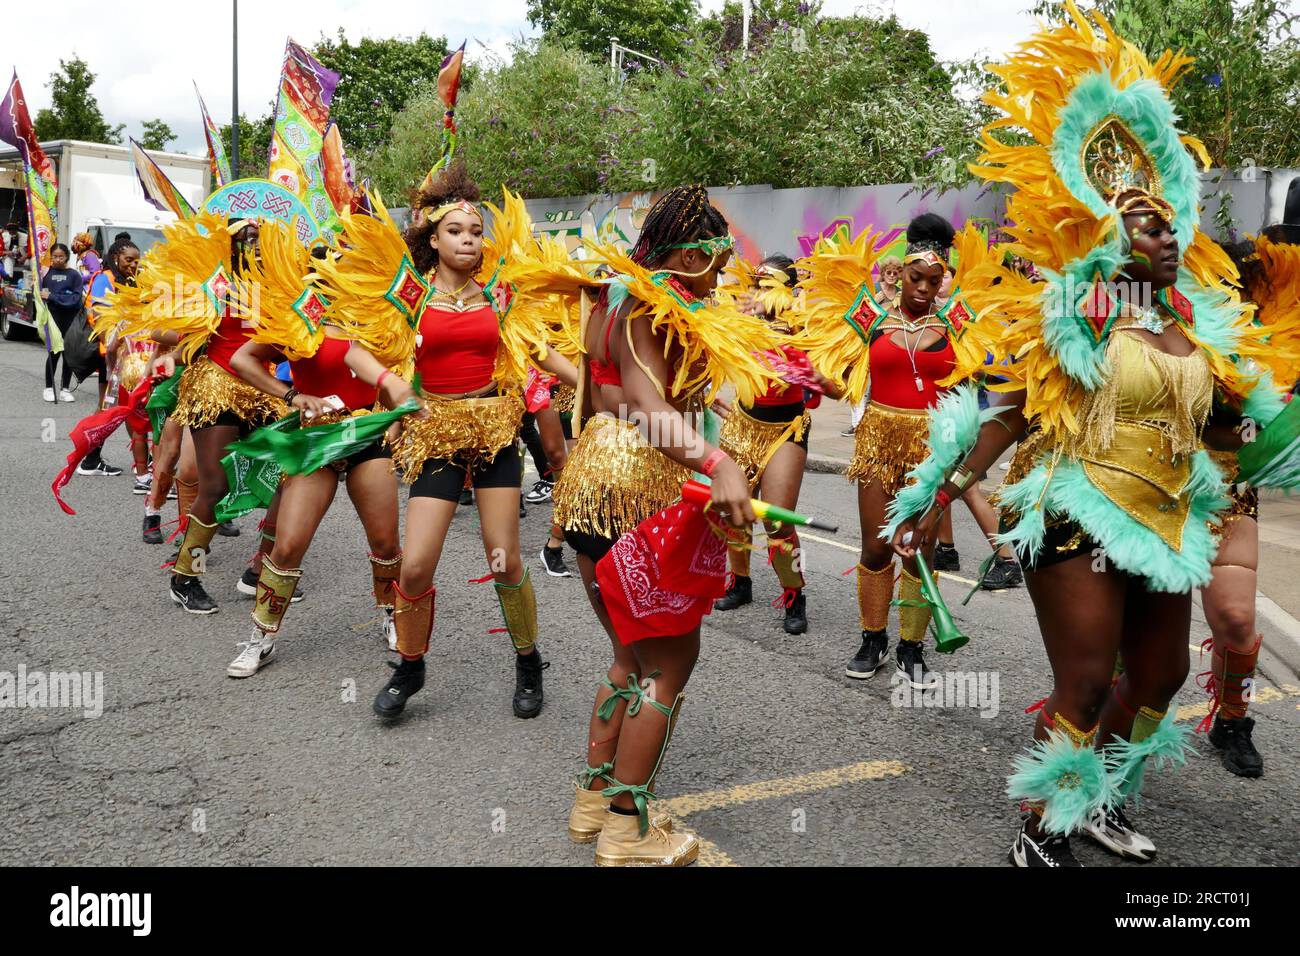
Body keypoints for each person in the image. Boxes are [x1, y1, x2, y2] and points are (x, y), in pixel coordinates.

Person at [886, 6, 1298, 866]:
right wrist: (933, 497)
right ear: (1114, 234)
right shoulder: (1080, 314)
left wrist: (1265, 425)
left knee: (1159, 677)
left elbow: (1221, 425)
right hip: (1077, 508)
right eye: (1149, 227)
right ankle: (1038, 830)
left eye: (1171, 224)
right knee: (1084, 679)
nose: (1169, 237)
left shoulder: (1194, 325)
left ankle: (1097, 797)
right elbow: (1008, 409)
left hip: (1166, 519)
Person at [553, 184, 780, 865]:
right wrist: (720, 462)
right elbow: (650, 408)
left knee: (628, 654)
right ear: (684, 257)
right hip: (640, 485)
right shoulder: (655, 307)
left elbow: (604, 394)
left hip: (593, 483)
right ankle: (626, 826)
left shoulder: (611, 297)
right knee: (671, 662)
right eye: (714, 259)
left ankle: (591, 801)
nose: (723, 273)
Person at [316, 163, 575, 720]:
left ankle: (528, 661)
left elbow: (538, 351)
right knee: (414, 568)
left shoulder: (500, 297)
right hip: (436, 433)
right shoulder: (408, 296)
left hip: (494, 431)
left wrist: (592, 378)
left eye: (476, 232)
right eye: (456, 232)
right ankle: (410, 666)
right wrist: (389, 382)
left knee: (503, 558)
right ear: (433, 239)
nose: (468, 241)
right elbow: (356, 350)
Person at [797, 214, 986, 689]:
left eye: (933, 279)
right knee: (877, 545)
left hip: (931, 449)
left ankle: (912, 647)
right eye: (914, 277)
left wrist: (958, 446)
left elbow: (967, 387)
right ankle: (873, 638)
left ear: (944, 279)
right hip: (878, 441)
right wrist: (825, 383)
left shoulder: (957, 323)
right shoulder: (870, 320)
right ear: (899, 273)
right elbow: (849, 386)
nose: (922, 287)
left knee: (917, 548)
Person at [220, 227, 403, 677]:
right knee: (289, 543)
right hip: (314, 440)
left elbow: (398, 371)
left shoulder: (376, 313)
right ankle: (261, 637)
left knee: (384, 541)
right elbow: (243, 359)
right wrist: (289, 395)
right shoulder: (298, 316)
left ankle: (391, 616)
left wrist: (395, 419)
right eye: (333, 264)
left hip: (365, 435)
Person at [111, 215, 288, 614]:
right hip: (216, 387)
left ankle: (261, 568)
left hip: (262, 388)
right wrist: (196, 329)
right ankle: (185, 577)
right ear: (230, 242)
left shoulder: (279, 283)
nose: (255, 244)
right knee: (216, 486)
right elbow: (158, 329)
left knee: (290, 479)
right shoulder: (210, 279)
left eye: (261, 237)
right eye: (246, 237)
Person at [713, 253, 841, 634]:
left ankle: (794, 593)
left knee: (777, 520)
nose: (759, 293)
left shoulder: (805, 330)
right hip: (741, 424)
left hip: (785, 430)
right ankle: (740, 582)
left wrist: (802, 367)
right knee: (733, 512)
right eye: (756, 284)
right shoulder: (741, 323)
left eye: (768, 286)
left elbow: (836, 389)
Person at [39, 244, 83, 403]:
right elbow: (40, 295)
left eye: (61, 256)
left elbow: (75, 299)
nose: (57, 259)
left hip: (71, 320)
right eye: (54, 256)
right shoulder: (45, 274)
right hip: (53, 319)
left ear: (67, 257)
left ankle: (65, 388)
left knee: (68, 355)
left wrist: (53, 297)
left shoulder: (74, 275)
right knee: (53, 354)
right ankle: (49, 388)